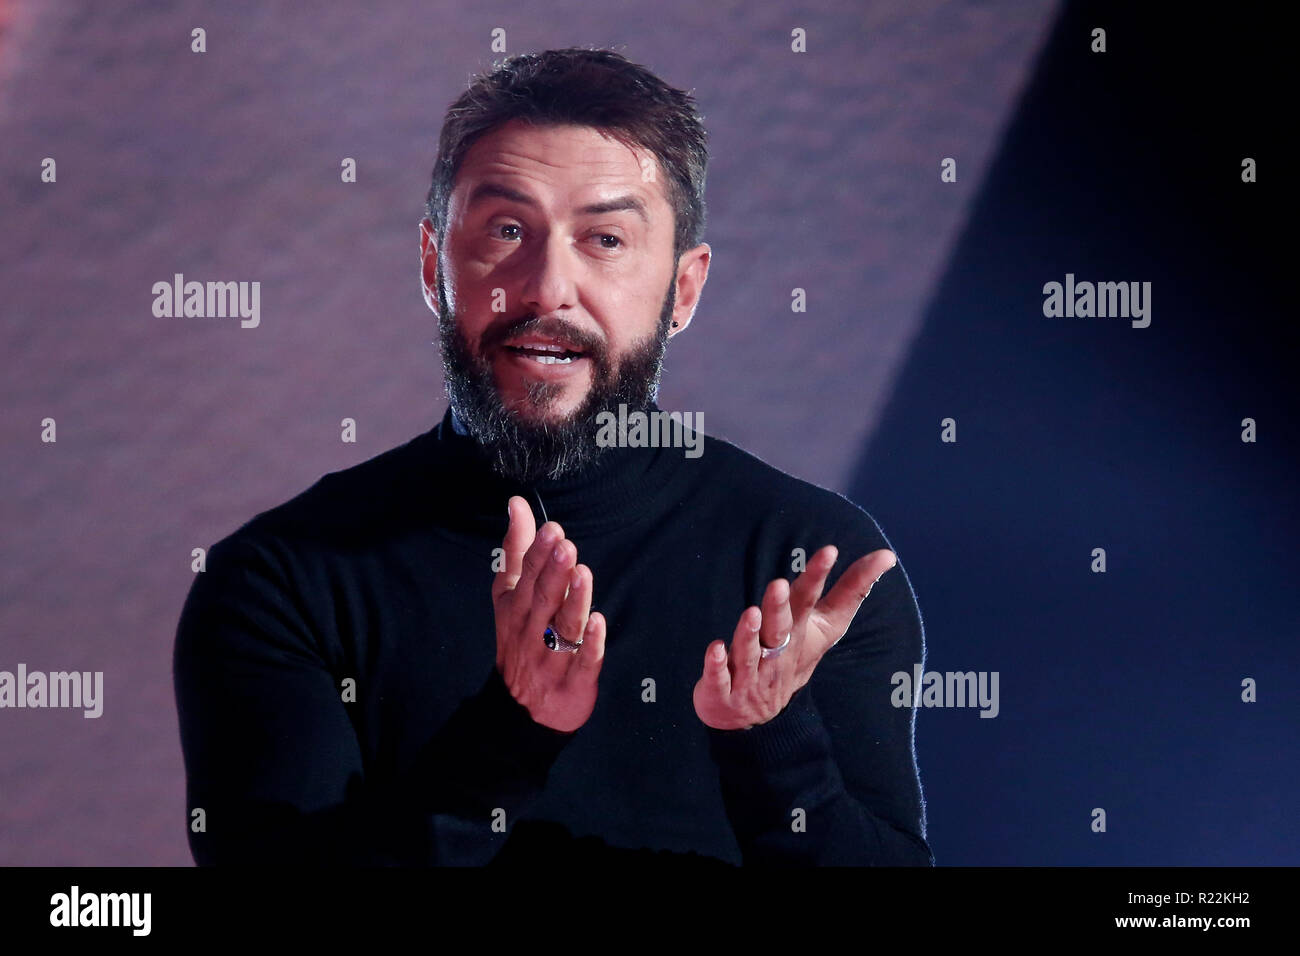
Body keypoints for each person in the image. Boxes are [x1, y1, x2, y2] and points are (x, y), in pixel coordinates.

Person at [173, 47, 934, 866]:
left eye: (605, 239)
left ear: (683, 290)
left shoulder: (807, 564)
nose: (546, 289)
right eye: (507, 230)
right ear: (434, 266)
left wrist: (773, 739)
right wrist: (511, 729)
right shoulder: (279, 582)